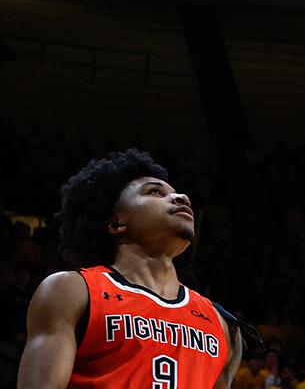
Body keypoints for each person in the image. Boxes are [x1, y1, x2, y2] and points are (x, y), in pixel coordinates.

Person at [15, 149, 243, 389]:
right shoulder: (72, 290)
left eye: (179, 194)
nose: (182, 198)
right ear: (116, 223)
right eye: (155, 192)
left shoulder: (220, 323)